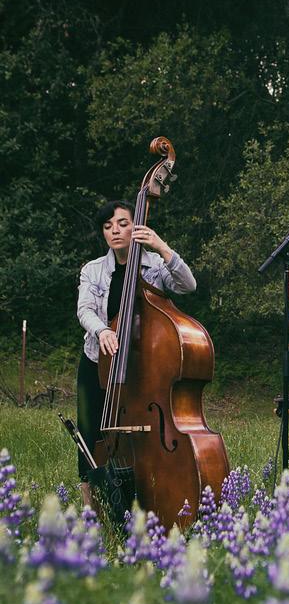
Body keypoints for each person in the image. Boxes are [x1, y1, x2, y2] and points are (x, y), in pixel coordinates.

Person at [76, 200, 197, 508]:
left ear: (136, 226)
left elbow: (188, 285)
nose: (115, 231)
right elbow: (85, 310)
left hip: (143, 366)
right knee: (90, 431)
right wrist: (103, 331)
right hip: (99, 361)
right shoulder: (93, 270)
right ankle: (91, 508)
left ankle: (143, 496)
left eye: (122, 223)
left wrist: (162, 247)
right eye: (108, 226)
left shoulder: (154, 265)